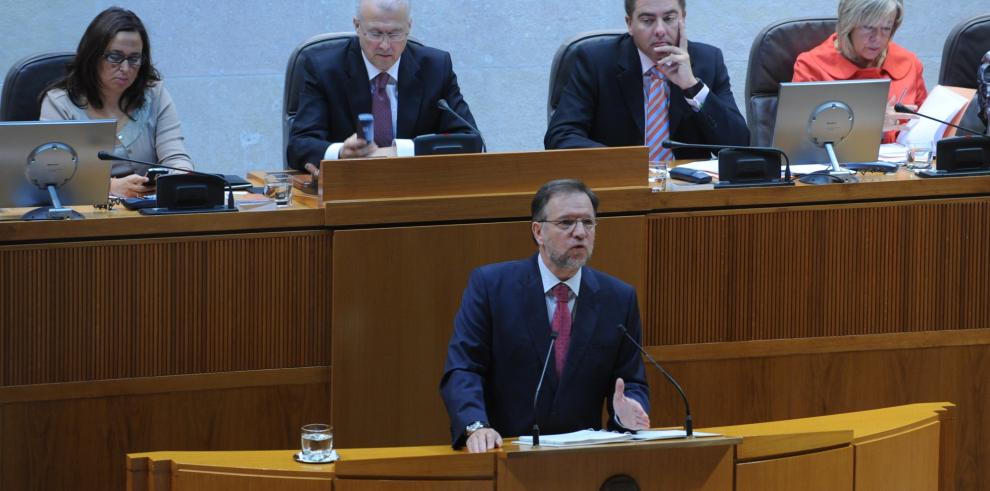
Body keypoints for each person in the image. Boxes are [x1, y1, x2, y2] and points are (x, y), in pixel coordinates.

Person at [440, 179, 651, 453]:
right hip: (505, 453)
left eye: (588, 223)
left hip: (584, 458)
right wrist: (475, 425)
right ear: (538, 231)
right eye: (566, 223)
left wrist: (630, 409)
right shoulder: (491, 287)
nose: (580, 233)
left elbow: (631, 380)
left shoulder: (618, 298)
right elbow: (463, 368)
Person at [544, 0, 750, 161]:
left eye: (669, 18)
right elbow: (560, 136)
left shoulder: (708, 61)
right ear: (629, 24)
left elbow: (739, 145)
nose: (660, 30)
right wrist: (628, 162)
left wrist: (692, 86)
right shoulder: (596, 62)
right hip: (621, 186)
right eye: (648, 20)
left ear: (683, 19)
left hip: (687, 194)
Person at [286, 0, 478, 170]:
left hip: (417, 188)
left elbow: (470, 139)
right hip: (348, 191)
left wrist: (400, 150)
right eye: (375, 34)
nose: (385, 45)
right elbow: (299, 145)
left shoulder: (436, 68)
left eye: (395, 34)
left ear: (409, 27)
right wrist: (341, 152)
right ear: (357, 26)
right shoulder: (324, 69)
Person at [40, 7, 193, 199]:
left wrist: (180, 175)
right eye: (115, 57)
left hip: (147, 213)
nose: (125, 68)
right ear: (93, 55)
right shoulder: (59, 103)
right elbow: (51, 173)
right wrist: (109, 186)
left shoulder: (155, 94)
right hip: (85, 218)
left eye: (134, 58)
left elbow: (175, 157)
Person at [792, 0, 924, 142]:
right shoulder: (811, 67)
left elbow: (925, 129)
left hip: (905, 163)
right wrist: (871, 125)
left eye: (886, 28)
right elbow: (798, 140)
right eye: (868, 27)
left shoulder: (909, 63)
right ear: (848, 27)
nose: (877, 38)